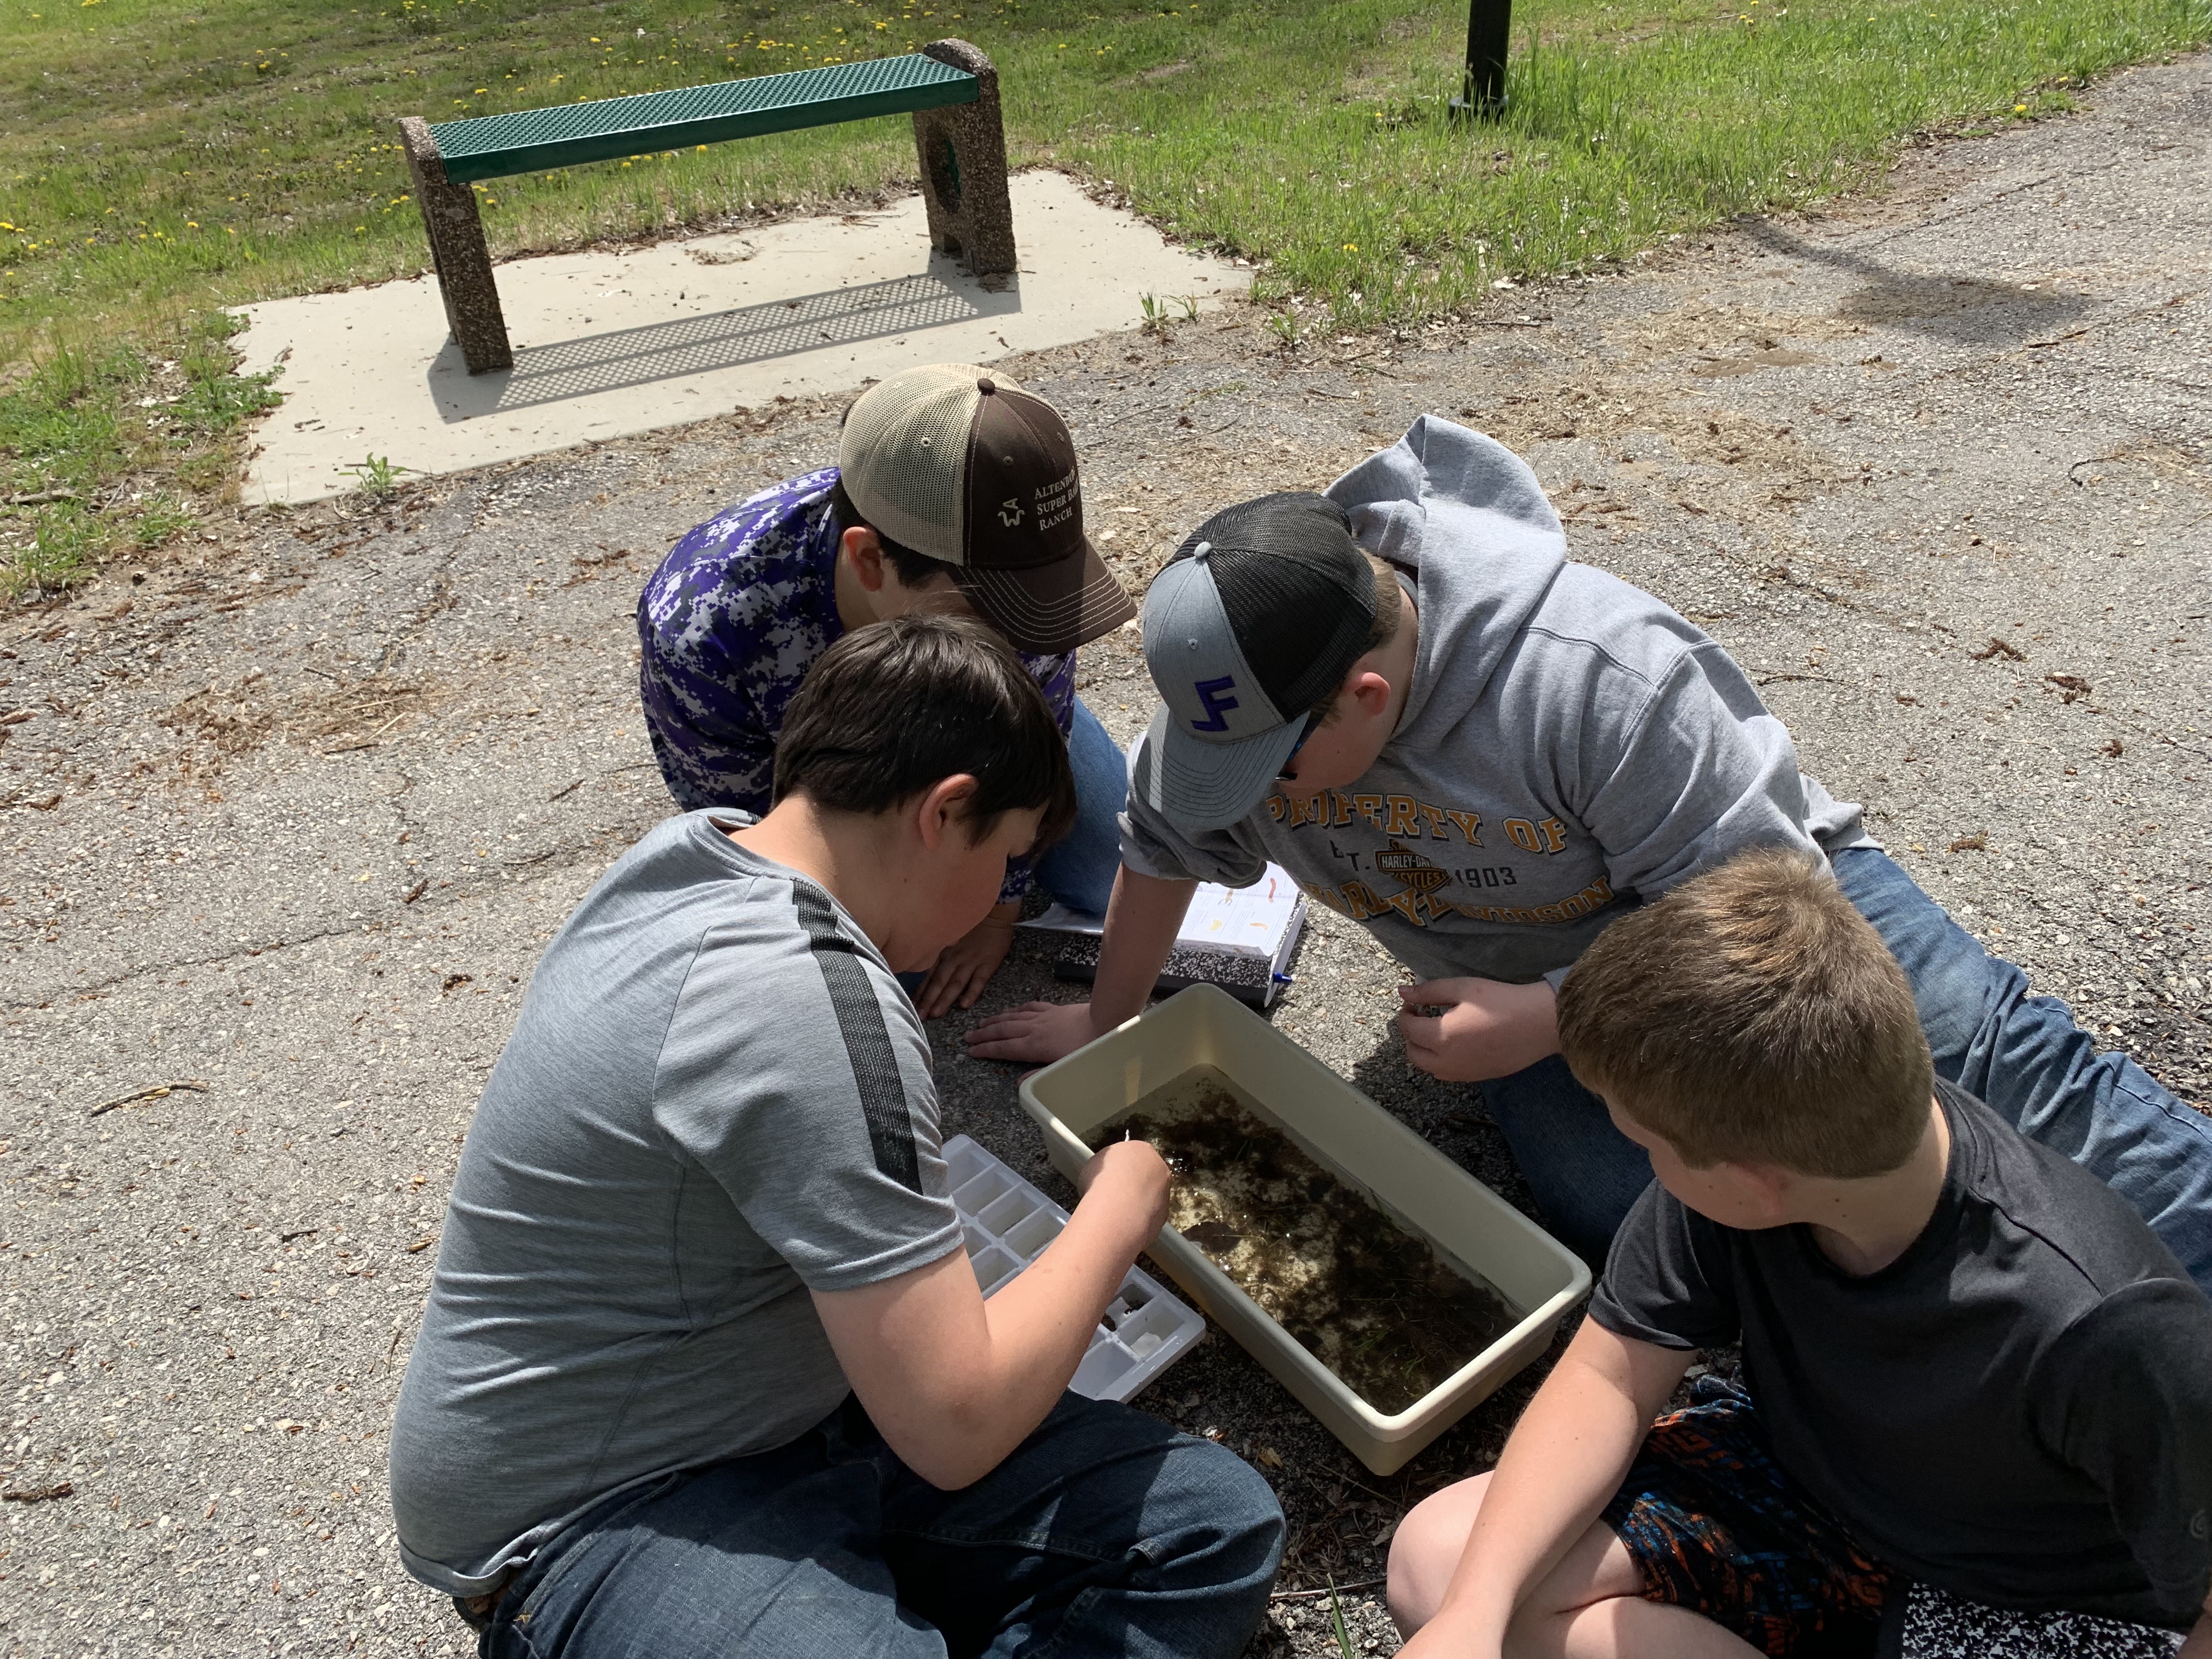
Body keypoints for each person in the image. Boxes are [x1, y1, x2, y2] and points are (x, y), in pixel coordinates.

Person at [965, 416, 2212, 1291]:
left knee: (1996, 1072)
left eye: (1270, 770)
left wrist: (1548, 1016)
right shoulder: (1244, 723)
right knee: (1631, 1214)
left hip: (1767, 919)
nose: (1249, 800)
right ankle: (1967, 1324)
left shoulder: (1592, 676)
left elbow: (1768, 899)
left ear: (1362, 695)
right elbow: (1160, 842)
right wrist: (1110, 1022)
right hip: (1541, 1001)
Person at [390, 616, 1284, 1658]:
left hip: (792, 1407)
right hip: (598, 1507)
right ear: (944, 812)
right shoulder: (815, 1002)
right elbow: (955, 1426)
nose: (996, 899)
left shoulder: (698, 852)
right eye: (1006, 860)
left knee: (1208, 1527)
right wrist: (1121, 1204)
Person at [1385, 849, 2212, 1658]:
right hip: (1814, 1487)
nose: (1644, 1166)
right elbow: (1610, 1377)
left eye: (1647, 1146)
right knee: (1442, 1570)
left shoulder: (2105, 1325)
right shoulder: (1776, 1146)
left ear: (1756, 1186)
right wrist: (1474, 1616)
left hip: (2020, 1600)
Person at [638, 362, 1137, 1019]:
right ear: (869, 560)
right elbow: (757, 836)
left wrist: (998, 907)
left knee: (1115, 877)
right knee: (872, 976)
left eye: (1038, 604)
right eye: (987, 614)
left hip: (984, 734)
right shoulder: (706, 626)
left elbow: (1036, 720)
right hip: (837, 795)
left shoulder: (1017, 586)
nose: (1021, 643)